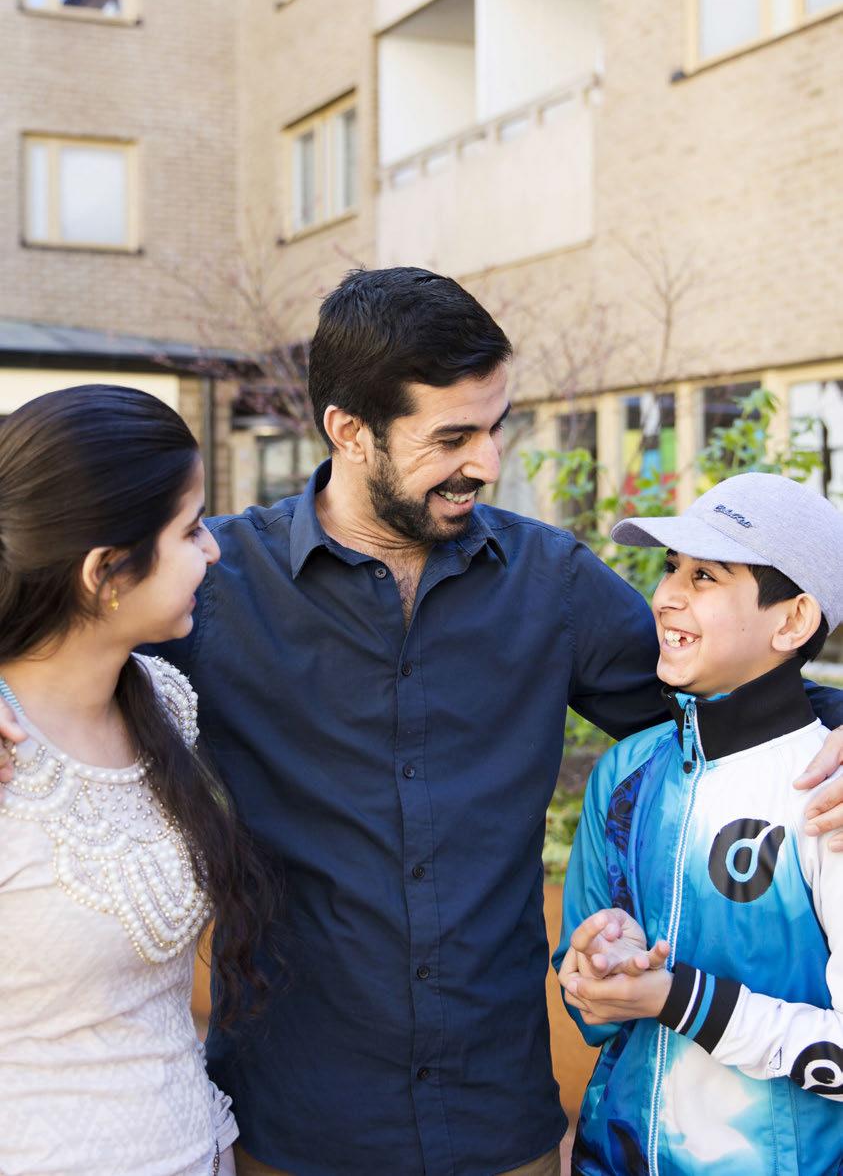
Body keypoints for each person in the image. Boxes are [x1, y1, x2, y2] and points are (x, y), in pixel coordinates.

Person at [2, 270, 843, 1176]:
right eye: (452, 436)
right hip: (292, 1127)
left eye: (494, 427)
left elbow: (739, 692)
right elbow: (58, 632)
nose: (484, 461)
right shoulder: (212, 585)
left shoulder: (550, 582)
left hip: (500, 1126)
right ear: (348, 431)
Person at [0, 386, 278, 1176]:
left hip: (195, 1147)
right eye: (190, 529)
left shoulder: (165, 698)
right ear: (105, 571)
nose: (214, 550)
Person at [557, 472, 843, 1175]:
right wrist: (595, 971)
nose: (665, 596)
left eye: (706, 575)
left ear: (793, 619)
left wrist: (680, 997)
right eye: (669, 568)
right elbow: (591, 1014)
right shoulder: (622, 775)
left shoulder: (827, 789)